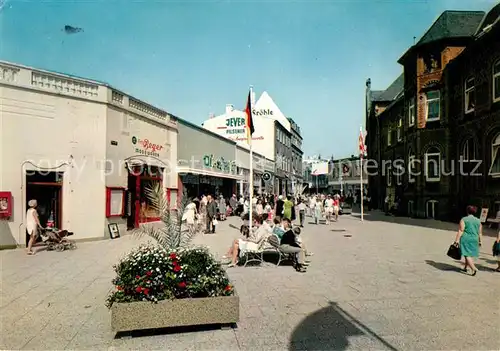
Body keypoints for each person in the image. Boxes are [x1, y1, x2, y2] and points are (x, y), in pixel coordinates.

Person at [454, 205, 482, 276]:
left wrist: (456, 240)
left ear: (467, 211)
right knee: (469, 254)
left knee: (466, 254)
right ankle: (465, 267)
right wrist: (480, 241)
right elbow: (480, 232)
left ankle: (473, 268)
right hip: (475, 239)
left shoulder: (464, 219)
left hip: (466, 238)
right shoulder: (478, 221)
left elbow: (461, 230)